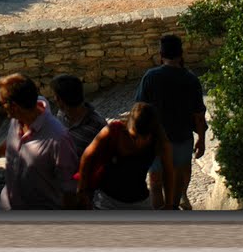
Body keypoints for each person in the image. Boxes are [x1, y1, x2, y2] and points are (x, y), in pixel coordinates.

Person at [0, 73, 78, 210]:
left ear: (13, 106)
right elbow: (12, 143)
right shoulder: (17, 120)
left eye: (1, 103)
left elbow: (69, 190)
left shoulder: (59, 139)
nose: (0, 107)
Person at [135, 33, 207, 210]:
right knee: (179, 180)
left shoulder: (150, 77)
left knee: (156, 184)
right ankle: (174, 208)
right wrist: (202, 140)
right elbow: (198, 115)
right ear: (181, 54)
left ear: (161, 54)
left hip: (156, 142)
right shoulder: (191, 79)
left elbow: (139, 110)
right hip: (182, 139)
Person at [76, 101, 174, 210]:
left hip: (139, 202)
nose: (138, 142)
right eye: (134, 136)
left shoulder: (161, 141)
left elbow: (168, 171)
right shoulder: (113, 131)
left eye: (144, 137)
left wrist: (169, 203)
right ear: (127, 127)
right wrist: (81, 189)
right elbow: (87, 156)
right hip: (106, 201)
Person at [50, 74, 107, 158]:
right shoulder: (61, 114)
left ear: (60, 100)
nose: (54, 99)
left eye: (56, 96)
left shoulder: (98, 125)